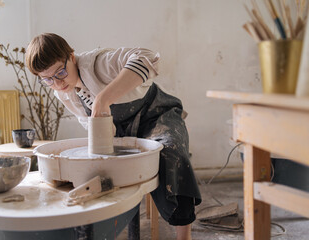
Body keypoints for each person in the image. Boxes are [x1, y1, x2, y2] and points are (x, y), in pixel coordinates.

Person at [25, 33, 201, 239]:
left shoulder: (98, 64)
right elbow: (89, 122)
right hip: (122, 129)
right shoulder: (63, 93)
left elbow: (148, 57)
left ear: (72, 57)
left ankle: (184, 234)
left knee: (169, 152)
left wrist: (103, 98)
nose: (57, 83)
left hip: (157, 116)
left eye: (61, 72)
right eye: (47, 79)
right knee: (104, 165)